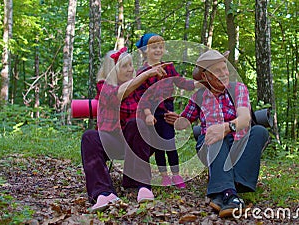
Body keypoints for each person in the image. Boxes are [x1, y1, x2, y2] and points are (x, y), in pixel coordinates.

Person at [164, 50, 269, 218]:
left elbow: (244, 118)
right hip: (211, 145)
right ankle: (230, 194)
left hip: (236, 143)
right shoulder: (199, 96)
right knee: (213, 135)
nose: (224, 73)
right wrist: (177, 120)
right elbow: (184, 123)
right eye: (217, 71)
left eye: (224, 68)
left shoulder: (237, 89)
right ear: (205, 77)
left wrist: (226, 127)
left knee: (259, 132)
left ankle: (229, 188)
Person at [80, 47, 169, 212]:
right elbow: (118, 95)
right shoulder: (104, 86)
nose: (130, 69)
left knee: (136, 123)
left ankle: (143, 186)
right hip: (112, 141)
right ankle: (103, 193)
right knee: (89, 137)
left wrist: (169, 116)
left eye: (131, 65)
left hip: (138, 142)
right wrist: (145, 75)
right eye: (125, 66)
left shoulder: (139, 88)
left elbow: (155, 100)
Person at [134, 33, 201, 188]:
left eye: (160, 47)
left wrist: (198, 84)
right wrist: (148, 114)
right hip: (152, 113)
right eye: (154, 47)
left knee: (169, 142)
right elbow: (140, 96)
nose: (158, 50)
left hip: (166, 111)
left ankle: (176, 175)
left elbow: (181, 82)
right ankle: (164, 175)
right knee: (158, 145)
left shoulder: (169, 67)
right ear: (145, 50)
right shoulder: (142, 72)